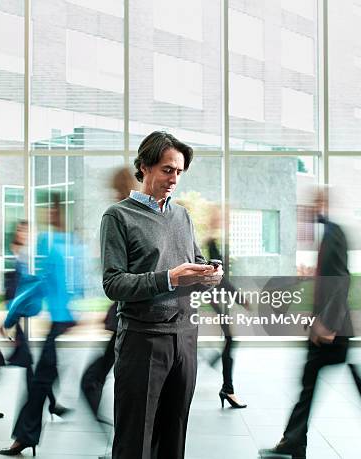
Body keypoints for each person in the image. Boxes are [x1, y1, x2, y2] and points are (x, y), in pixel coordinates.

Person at [100, 131, 223, 459]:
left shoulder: (182, 215)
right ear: (144, 167)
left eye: (179, 172)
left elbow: (194, 263)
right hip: (143, 341)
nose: (174, 179)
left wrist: (208, 275)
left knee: (174, 438)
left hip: (185, 338)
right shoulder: (118, 217)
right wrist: (168, 278)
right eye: (167, 170)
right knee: (135, 441)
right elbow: (113, 284)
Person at [259, 188, 361, 459]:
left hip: (332, 329)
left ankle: (295, 442)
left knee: (319, 382)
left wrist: (328, 325)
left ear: (323, 205)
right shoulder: (328, 234)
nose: (309, 210)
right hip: (326, 327)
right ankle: (294, 441)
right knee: (317, 381)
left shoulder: (335, 233)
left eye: (314, 204)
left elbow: (341, 280)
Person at [0, 194, 78, 456]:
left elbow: (36, 285)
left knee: (40, 385)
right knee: (42, 383)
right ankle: (26, 436)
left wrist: (11, 317)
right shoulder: (71, 243)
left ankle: (25, 437)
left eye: (51, 209)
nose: (48, 214)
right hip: (69, 323)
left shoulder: (50, 243)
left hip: (59, 324)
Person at [80, 167, 136, 424]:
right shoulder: (130, 216)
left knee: (102, 376)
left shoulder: (120, 217)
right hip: (127, 312)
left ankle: (121, 441)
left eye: (114, 189)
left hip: (128, 313)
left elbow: (118, 273)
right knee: (107, 374)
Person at [203, 205, 248, 409]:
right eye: (222, 217)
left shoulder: (216, 241)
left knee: (230, 340)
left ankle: (227, 387)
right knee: (231, 340)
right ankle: (227, 389)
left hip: (218, 299)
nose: (226, 221)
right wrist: (241, 298)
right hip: (215, 297)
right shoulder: (211, 242)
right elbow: (219, 278)